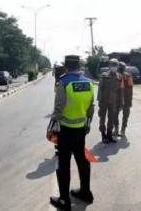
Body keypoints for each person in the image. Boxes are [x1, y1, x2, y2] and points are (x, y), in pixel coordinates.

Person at [48, 55, 95, 210]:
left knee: (64, 163)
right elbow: (90, 107)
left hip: (66, 130)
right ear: (79, 65)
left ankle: (64, 201)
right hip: (81, 129)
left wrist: (51, 126)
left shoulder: (64, 82)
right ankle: (85, 192)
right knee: (82, 160)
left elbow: (59, 107)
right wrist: (87, 124)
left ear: (66, 66)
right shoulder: (88, 82)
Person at [98, 58, 122, 143]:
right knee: (102, 118)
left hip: (114, 101)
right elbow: (100, 88)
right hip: (104, 100)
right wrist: (99, 100)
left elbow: (120, 91)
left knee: (111, 119)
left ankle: (109, 135)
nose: (114, 67)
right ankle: (103, 135)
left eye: (116, 66)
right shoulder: (104, 75)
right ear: (109, 66)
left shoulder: (119, 77)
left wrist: (120, 103)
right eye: (113, 65)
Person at [113, 62, 133, 137]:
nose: (120, 69)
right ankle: (116, 128)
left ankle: (123, 130)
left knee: (125, 115)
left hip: (126, 98)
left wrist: (130, 100)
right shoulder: (115, 76)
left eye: (121, 68)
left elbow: (131, 89)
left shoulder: (128, 76)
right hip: (116, 99)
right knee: (115, 114)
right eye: (119, 68)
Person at [53, 63, 67, 156]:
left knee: (61, 130)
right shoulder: (59, 80)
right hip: (59, 107)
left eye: (56, 71)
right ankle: (59, 147)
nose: (55, 73)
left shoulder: (62, 81)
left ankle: (61, 148)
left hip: (62, 109)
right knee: (58, 130)